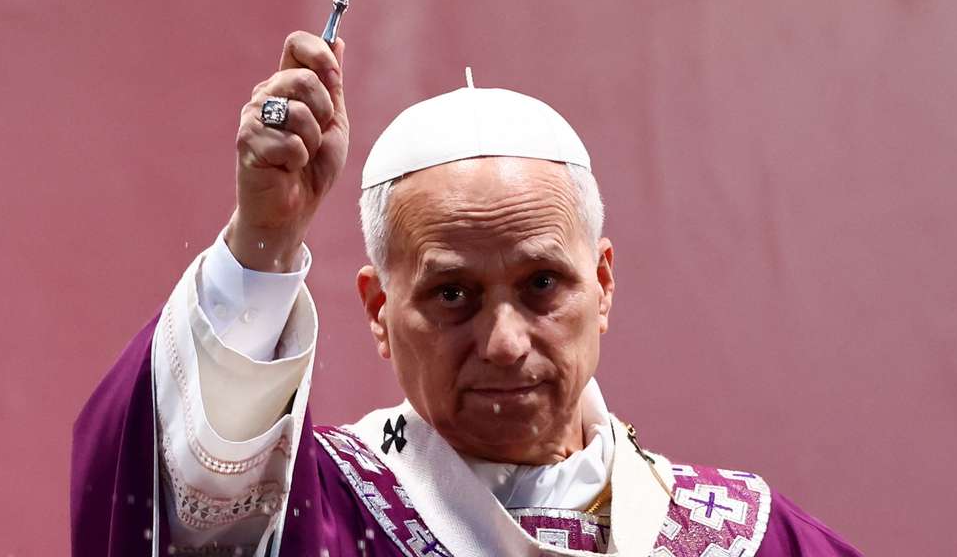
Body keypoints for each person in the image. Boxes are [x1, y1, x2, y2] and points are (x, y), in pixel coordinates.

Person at [71, 31, 863, 556]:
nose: (505, 343)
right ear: (380, 311)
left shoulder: (748, 540)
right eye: (453, 295)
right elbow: (172, 496)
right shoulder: (310, 508)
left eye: (542, 285)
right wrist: (263, 237)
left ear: (603, 285)